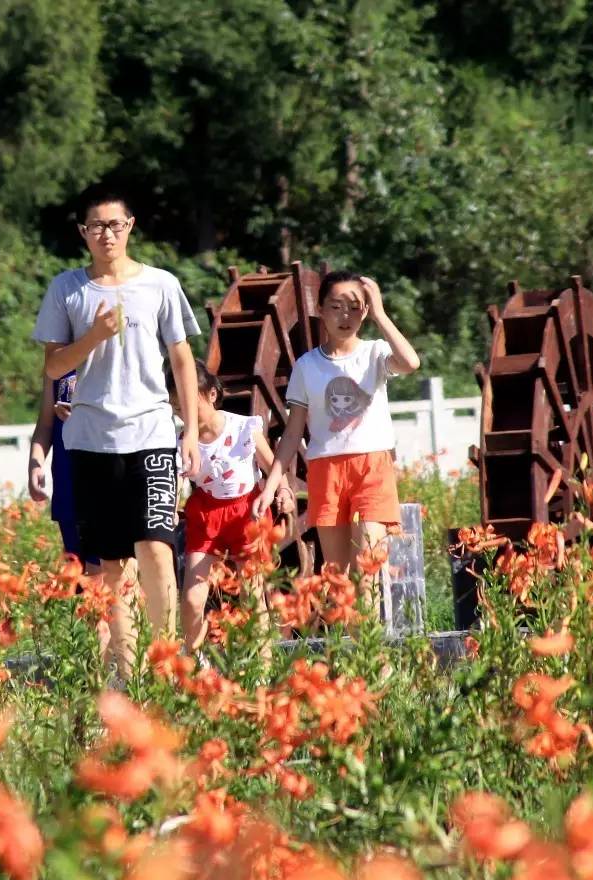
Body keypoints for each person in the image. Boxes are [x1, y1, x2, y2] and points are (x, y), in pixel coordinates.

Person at [31, 186, 201, 683]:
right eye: (96, 226)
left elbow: (182, 359)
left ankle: (167, 662)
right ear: (83, 233)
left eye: (115, 224)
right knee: (110, 564)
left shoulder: (161, 285)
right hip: (88, 441)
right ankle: (123, 673)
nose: (107, 234)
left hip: (150, 432)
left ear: (131, 227)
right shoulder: (67, 289)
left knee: (156, 547)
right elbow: (54, 365)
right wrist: (95, 335)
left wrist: (188, 432)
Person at [254, 272, 420, 608]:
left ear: (365, 311)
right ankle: (361, 659)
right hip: (325, 470)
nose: (346, 316)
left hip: (371, 465)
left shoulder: (375, 352)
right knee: (340, 579)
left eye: (355, 308)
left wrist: (381, 315)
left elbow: (411, 363)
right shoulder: (306, 366)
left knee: (368, 569)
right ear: (321, 309)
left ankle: (377, 662)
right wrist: (271, 485)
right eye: (337, 306)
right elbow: (292, 432)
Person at [170, 361, 294, 653]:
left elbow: (271, 464)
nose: (183, 413)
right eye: (176, 408)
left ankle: (262, 666)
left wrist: (284, 489)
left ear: (212, 394)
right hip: (206, 514)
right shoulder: (180, 441)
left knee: (252, 594)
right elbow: (174, 481)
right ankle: (193, 662)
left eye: (188, 403)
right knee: (191, 597)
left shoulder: (242, 428)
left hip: (246, 512)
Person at [26, 370, 100, 573]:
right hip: (67, 483)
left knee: (106, 579)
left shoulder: (112, 352)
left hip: (103, 484)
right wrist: (35, 463)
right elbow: (46, 424)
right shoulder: (58, 357)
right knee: (76, 574)